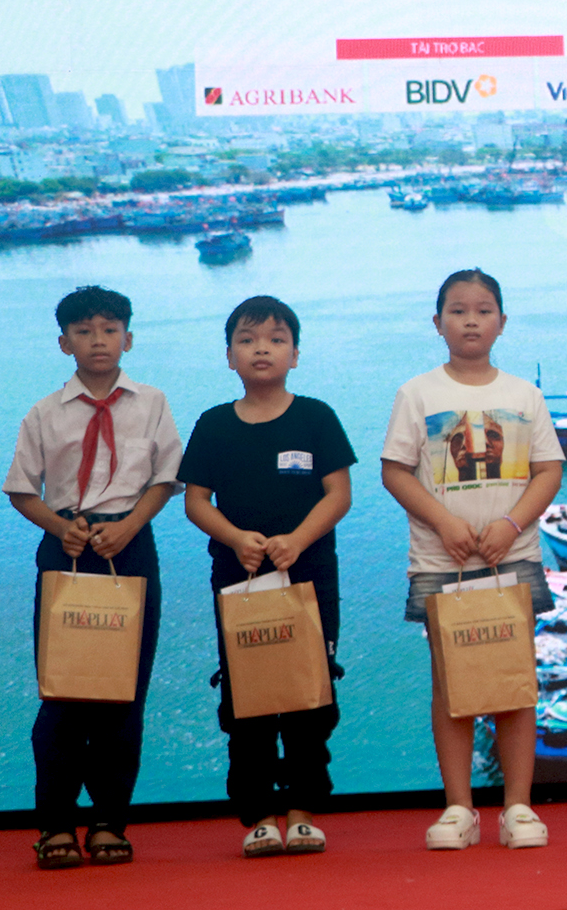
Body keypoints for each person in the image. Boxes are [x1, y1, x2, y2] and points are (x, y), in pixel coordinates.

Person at [382, 270, 564, 849]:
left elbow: (548, 470)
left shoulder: (523, 394)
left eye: (483, 310)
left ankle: (518, 807)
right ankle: (459, 807)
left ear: (502, 323)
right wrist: (445, 523)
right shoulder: (417, 393)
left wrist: (511, 526)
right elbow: (394, 471)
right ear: (437, 323)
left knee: (515, 679)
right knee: (451, 682)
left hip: (513, 556)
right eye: (457, 311)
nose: (470, 320)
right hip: (442, 560)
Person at [5, 286, 182, 869]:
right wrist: (61, 529)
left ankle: (109, 821)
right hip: (66, 550)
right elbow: (21, 489)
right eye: (84, 331)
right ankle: (55, 823)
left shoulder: (152, 401)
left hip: (129, 547)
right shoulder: (44, 412)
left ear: (128, 338)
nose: (98, 340)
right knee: (63, 693)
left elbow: (165, 477)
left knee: (122, 694)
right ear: (64, 343)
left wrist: (130, 525)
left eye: (110, 329)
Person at [180, 296, 356, 856]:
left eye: (277, 339)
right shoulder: (213, 424)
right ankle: (257, 813)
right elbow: (196, 502)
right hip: (239, 578)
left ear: (296, 354)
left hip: (309, 577)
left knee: (310, 689)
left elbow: (339, 494)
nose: (263, 348)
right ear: (229, 355)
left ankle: (303, 809)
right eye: (249, 339)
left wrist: (297, 540)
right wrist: (235, 537)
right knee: (246, 693)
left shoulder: (317, 417)